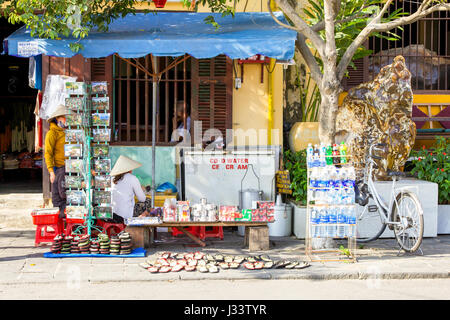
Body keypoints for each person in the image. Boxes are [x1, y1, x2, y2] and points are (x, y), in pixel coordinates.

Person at [44, 104, 69, 218]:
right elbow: (48, 153)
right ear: (58, 118)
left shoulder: (68, 132)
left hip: (71, 168)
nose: (66, 120)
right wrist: (51, 171)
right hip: (59, 169)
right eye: (64, 118)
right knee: (60, 197)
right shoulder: (52, 133)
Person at [110, 155, 147, 223]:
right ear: (129, 169)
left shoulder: (111, 179)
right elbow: (142, 198)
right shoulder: (132, 178)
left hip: (112, 216)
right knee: (148, 202)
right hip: (126, 216)